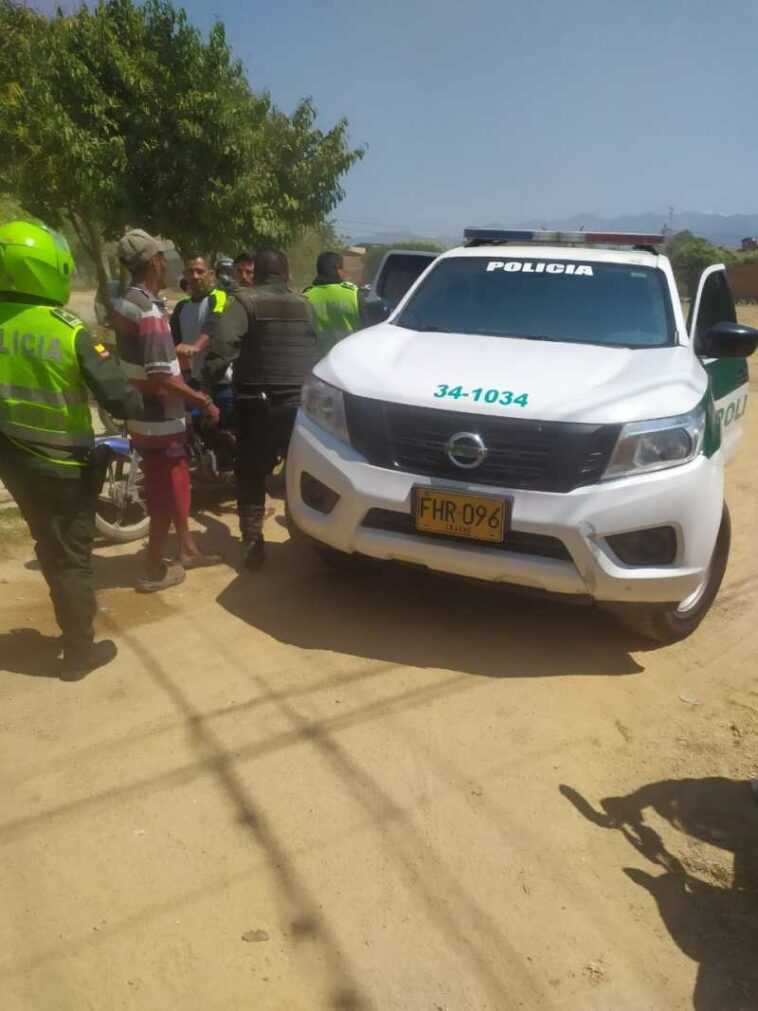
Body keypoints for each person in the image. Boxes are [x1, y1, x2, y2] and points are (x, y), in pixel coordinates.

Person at [0, 220, 145, 678]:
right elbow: (122, 399)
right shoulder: (66, 330)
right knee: (73, 558)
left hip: (14, 460)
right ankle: (80, 651)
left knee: (48, 541)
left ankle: (63, 602)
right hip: (61, 466)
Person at [112, 229, 223, 592]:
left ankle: (188, 548)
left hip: (145, 414)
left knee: (175, 483)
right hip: (159, 416)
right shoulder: (148, 310)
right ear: (157, 263)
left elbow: (154, 362)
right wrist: (201, 400)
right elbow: (162, 375)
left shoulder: (128, 301)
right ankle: (151, 570)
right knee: (164, 495)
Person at [203, 249, 316, 567]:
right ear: (287, 274)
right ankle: (304, 540)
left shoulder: (244, 302)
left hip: (258, 405)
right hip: (300, 408)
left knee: (251, 474)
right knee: (298, 475)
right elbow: (315, 347)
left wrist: (204, 389)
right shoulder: (305, 305)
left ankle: (253, 545)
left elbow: (222, 349)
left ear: (255, 274)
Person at [302, 251, 361, 358]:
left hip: (318, 359)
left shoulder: (306, 295)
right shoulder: (354, 293)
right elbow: (368, 328)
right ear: (338, 270)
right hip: (349, 357)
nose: (345, 272)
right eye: (343, 268)